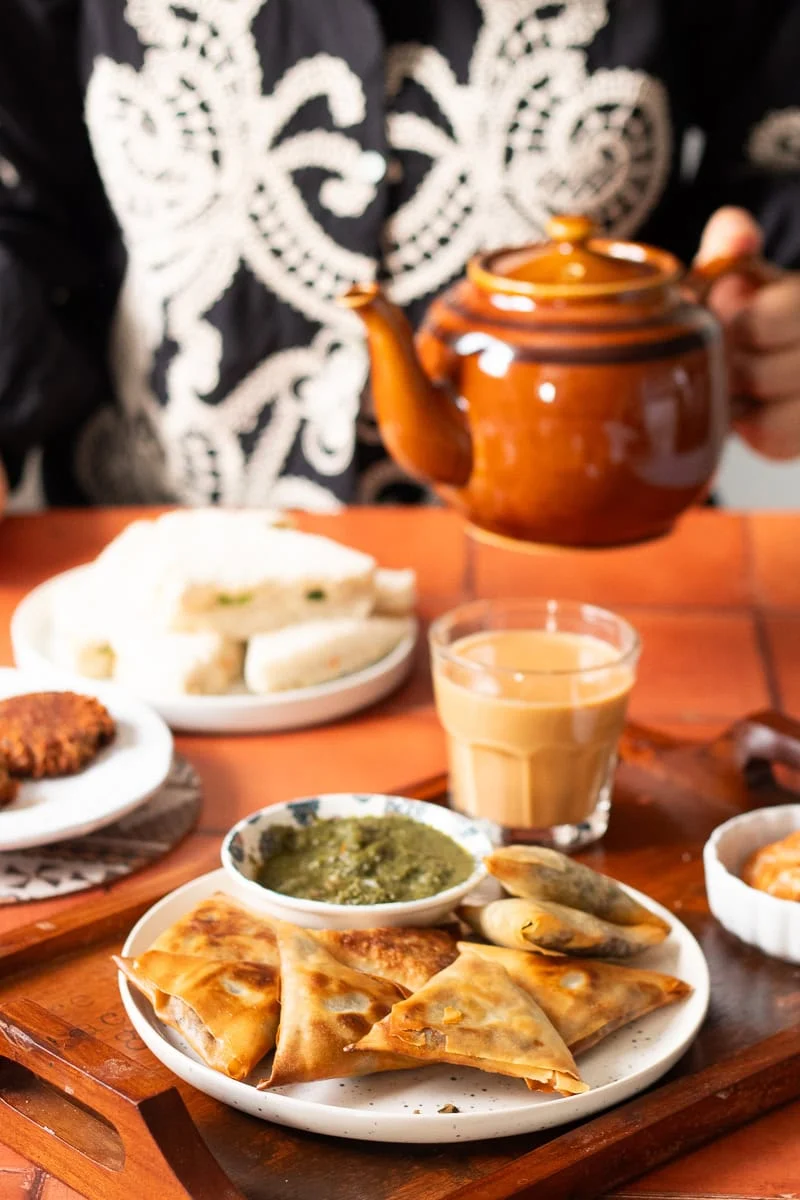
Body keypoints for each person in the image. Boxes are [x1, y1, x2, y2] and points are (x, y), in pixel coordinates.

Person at [0, 0, 799, 512]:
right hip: (165, 602)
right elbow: (20, 201)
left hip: (597, 592)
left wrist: (773, 313)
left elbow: (779, 163)